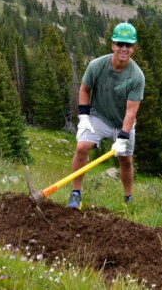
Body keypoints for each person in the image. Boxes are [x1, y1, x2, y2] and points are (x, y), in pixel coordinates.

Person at [66, 22, 145, 209]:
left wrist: (123, 136)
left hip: (123, 122)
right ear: (113, 45)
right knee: (81, 148)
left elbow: (131, 111)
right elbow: (85, 89)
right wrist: (84, 117)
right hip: (99, 117)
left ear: (133, 48)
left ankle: (128, 198)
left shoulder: (137, 76)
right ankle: (75, 194)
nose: (123, 49)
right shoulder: (97, 66)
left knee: (125, 160)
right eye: (120, 44)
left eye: (128, 45)